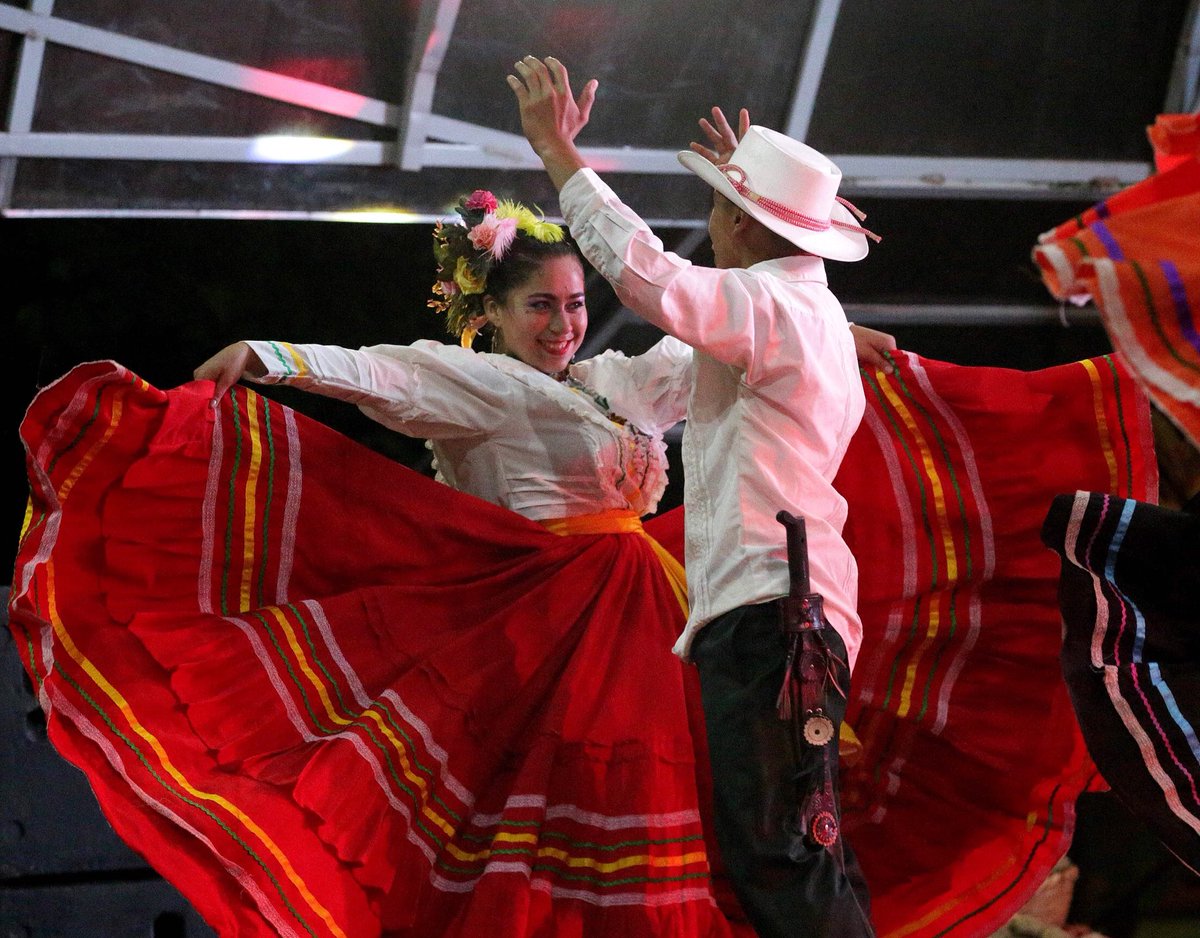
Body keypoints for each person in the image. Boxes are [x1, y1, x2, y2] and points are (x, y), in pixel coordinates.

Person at [10, 182, 895, 937]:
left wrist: (826, 333)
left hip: (649, 622)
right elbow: (384, 376)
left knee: (730, 825)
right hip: (543, 638)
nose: (563, 325)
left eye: (574, 304)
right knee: (555, 845)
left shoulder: (616, 383)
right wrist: (270, 358)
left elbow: (705, 344)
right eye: (539, 306)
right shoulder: (485, 386)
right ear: (492, 315)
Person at [508, 55, 879, 937]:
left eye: (719, 207)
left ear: (746, 224)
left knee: (782, 852)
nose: (710, 226)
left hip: (773, 610)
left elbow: (652, 279)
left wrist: (561, 157)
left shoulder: (773, 308)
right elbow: (673, 344)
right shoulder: (798, 314)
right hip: (785, 607)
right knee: (797, 847)